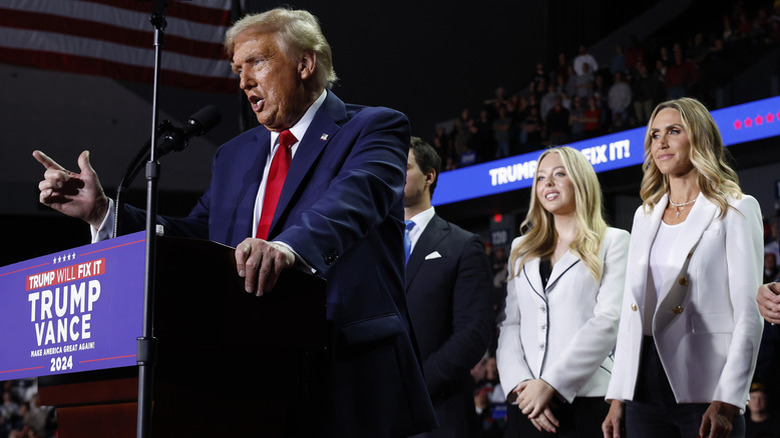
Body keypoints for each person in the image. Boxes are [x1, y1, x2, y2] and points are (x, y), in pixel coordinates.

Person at [33, 7, 437, 437]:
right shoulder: (234, 155)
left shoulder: (373, 127)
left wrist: (286, 248)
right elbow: (196, 235)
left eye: (257, 62)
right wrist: (103, 212)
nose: (243, 81)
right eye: (237, 69)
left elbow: (354, 200)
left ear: (305, 63)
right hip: (248, 381)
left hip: (349, 376)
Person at [602, 98, 764, 438]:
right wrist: (618, 396)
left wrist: (728, 400)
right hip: (642, 390)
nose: (660, 142)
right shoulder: (644, 215)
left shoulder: (736, 209)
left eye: (673, 131)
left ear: (699, 138)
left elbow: (749, 315)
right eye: (655, 134)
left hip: (706, 389)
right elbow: (631, 314)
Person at [496, 146, 630, 437]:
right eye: (541, 178)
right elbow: (511, 324)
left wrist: (551, 384)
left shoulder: (614, 241)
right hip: (526, 403)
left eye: (559, 174)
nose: (548, 183)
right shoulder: (521, 248)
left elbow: (608, 320)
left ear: (580, 181)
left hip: (587, 399)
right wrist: (520, 385)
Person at [404, 137, 493, 437]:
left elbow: (472, 334)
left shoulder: (462, 245)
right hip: (380, 413)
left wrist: (415, 386)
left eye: (402, 167)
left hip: (439, 412)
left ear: (429, 176)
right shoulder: (372, 245)